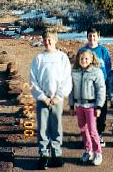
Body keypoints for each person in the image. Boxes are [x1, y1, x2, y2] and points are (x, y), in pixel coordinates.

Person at [30, 28, 72, 170]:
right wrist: (42, 97)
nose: (47, 42)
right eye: (45, 39)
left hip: (56, 100)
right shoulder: (39, 59)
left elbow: (67, 79)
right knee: (43, 127)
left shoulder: (62, 57)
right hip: (43, 100)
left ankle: (56, 154)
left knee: (56, 126)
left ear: (55, 40)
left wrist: (59, 96)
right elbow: (33, 81)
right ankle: (44, 154)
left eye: (50, 39)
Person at [69, 49, 106, 166]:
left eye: (86, 58)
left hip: (91, 106)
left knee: (92, 130)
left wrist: (99, 106)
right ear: (78, 59)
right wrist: (71, 105)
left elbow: (101, 89)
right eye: (81, 58)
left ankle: (97, 152)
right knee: (83, 128)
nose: (83, 60)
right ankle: (88, 150)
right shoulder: (74, 72)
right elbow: (71, 89)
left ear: (91, 59)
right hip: (79, 105)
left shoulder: (96, 72)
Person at [78, 27, 111, 147]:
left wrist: (105, 82)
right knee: (86, 111)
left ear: (98, 36)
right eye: (90, 36)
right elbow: (78, 67)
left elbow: (108, 67)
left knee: (100, 110)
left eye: (94, 36)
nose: (92, 38)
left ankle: (99, 133)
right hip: (86, 87)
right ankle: (87, 136)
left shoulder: (103, 51)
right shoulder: (82, 50)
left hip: (101, 86)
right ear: (87, 37)